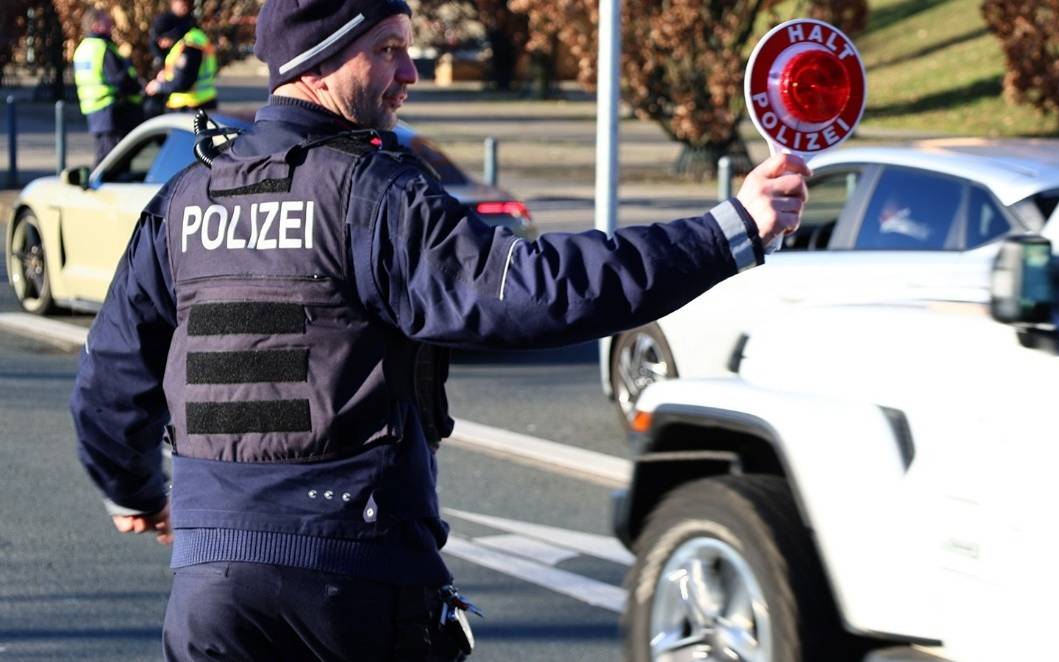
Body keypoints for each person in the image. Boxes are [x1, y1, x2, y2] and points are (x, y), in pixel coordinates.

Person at [71, 0, 807, 658]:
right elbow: (541, 289)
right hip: (353, 588)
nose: (412, 72)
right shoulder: (373, 195)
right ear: (319, 59)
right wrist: (727, 232)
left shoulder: (184, 202)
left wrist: (135, 492)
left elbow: (108, 387)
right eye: (388, 48)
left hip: (211, 595)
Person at [72, 6, 143, 167]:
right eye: (106, 21)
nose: (111, 24)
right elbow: (119, 79)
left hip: (94, 110)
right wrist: (138, 88)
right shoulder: (103, 48)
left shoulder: (82, 48)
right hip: (111, 111)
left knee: (104, 154)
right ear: (96, 25)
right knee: (113, 161)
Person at [144, 0, 217, 112]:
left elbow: (184, 82)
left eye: (161, 39)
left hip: (192, 106)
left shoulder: (190, 45)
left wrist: (159, 86)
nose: (161, 44)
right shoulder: (191, 39)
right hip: (197, 104)